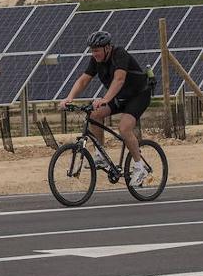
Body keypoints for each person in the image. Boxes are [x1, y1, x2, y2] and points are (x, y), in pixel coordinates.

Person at [59, 30, 153, 187]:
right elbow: (83, 80)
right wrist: (69, 97)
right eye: (92, 50)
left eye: (97, 50)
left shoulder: (119, 54)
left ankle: (139, 167)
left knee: (124, 128)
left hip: (139, 95)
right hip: (120, 97)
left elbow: (119, 79)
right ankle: (100, 155)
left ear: (107, 48)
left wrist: (105, 99)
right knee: (95, 115)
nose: (94, 54)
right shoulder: (95, 60)